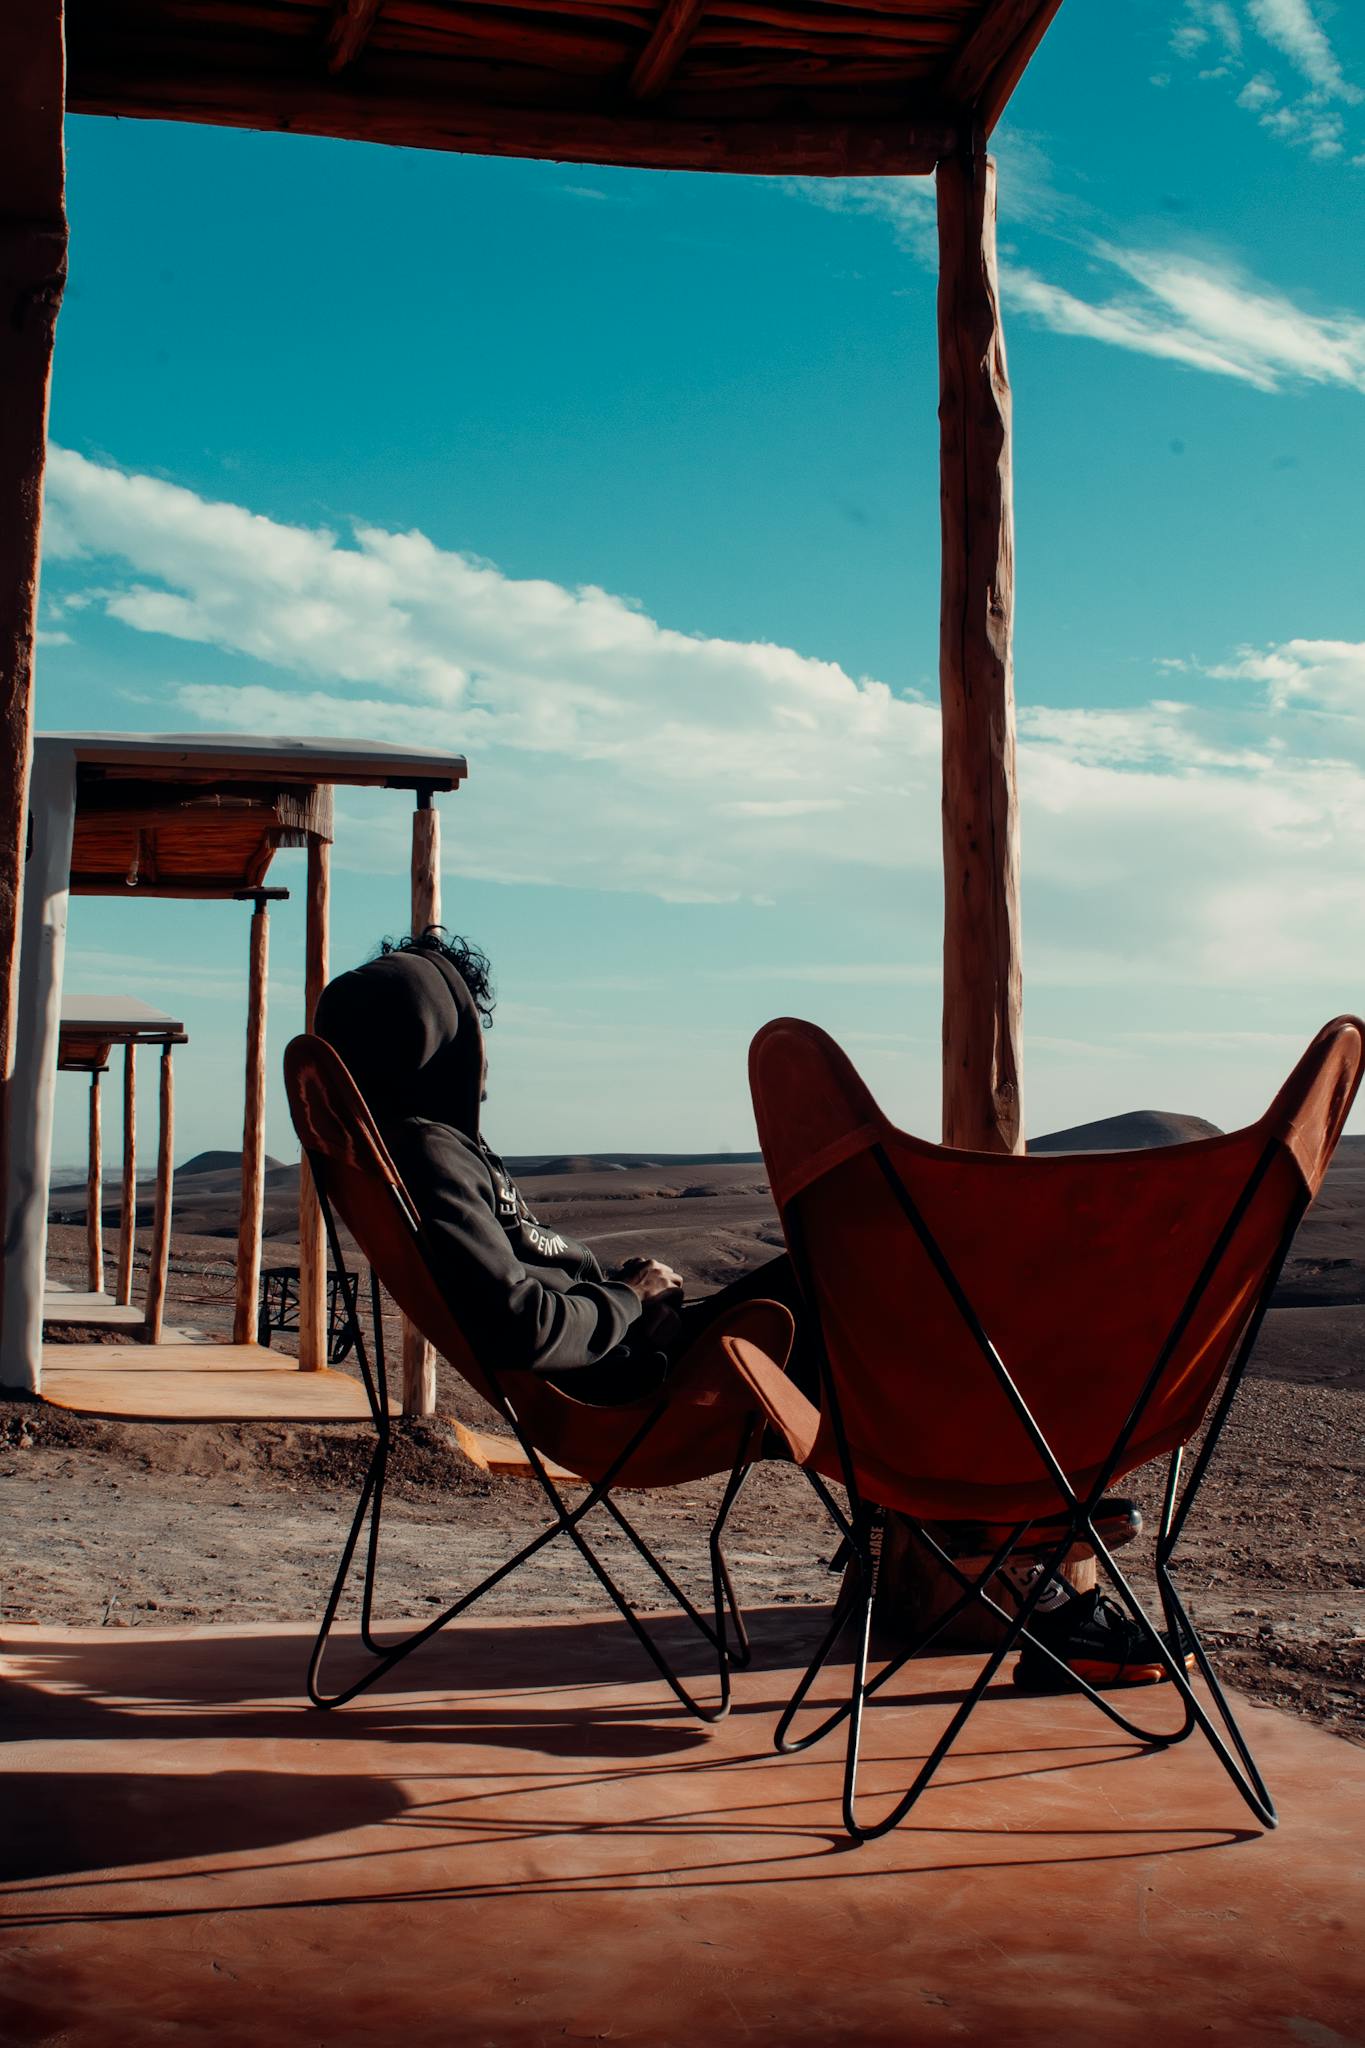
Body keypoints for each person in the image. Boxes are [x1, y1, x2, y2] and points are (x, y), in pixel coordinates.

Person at [314, 927, 1180, 1693]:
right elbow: (519, 1324)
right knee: (878, 1279)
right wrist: (628, 1296)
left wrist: (619, 1291)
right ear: (437, 1038)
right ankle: (1008, 1543)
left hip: (645, 1355)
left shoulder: (428, 1151)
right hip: (630, 1389)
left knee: (872, 1291)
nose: (487, 1059)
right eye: (473, 1029)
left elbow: (524, 1294)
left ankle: (997, 1532)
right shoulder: (428, 1155)